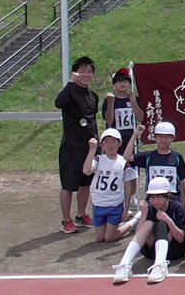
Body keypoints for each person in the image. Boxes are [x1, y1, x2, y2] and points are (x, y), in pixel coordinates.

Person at [112, 177, 185, 284]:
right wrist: (143, 213)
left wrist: (168, 220)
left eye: (159, 197)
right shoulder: (149, 208)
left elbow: (180, 238)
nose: (155, 201)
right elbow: (139, 234)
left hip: (174, 249)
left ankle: (160, 264)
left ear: (167, 195)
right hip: (151, 250)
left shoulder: (177, 207)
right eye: (152, 197)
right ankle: (124, 264)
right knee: (148, 223)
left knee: (161, 224)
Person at [55, 56, 99, 233]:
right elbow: (58, 103)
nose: (86, 74)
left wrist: (97, 146)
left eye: (89, 71)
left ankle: (81, 215)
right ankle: (66, 220)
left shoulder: (93, 96)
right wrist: (70, 83)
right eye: (82, 71)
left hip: (88, 147)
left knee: (85, 183)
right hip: (71, 146)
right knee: (68, 185)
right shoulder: (69, 91)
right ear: (75, 73)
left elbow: (92, 121)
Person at [102, 67, 144, 209]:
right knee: (116, 167)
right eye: (119, 81)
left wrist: (134, 102)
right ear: (114, 84)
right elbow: (108, 121)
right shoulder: (109, 100)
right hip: (115, 141)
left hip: (131, 139)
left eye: (125, 81)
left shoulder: (133, 98)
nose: (122, 84)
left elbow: (141, 118)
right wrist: (111, 103)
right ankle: (116, 195)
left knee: (131, 169)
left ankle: (131, 196)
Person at [124, 121, 185, 204]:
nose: (163, 140)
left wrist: (183, 202)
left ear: (173, 138)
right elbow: (127, 156)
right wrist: (135, 135)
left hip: (172, 199)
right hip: (152, 199)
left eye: (167, 137)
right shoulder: (148, 157)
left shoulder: (177, 157)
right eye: (160, 136)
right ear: (155, 137)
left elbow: (181, 180)